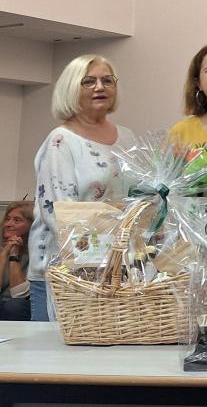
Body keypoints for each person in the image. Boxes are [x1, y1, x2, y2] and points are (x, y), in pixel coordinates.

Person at [28, 55, 135, 321]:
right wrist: (96, 260)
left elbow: (136, 197)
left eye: (107, 80)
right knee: (58, 346)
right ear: (71, 88)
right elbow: (57, 211)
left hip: (117, 266)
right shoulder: (61, 141)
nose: (100, 87)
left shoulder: (127, 137)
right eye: (88, 81)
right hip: (66, 271)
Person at [1, 202, 33, 320]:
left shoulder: (36, 255)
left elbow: (19, 295)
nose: (8, 224)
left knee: (15, 306)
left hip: (20, 305)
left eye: (17, 220)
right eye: (7, 219)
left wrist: (13, 254)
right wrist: (4, 253)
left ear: (31, 225)